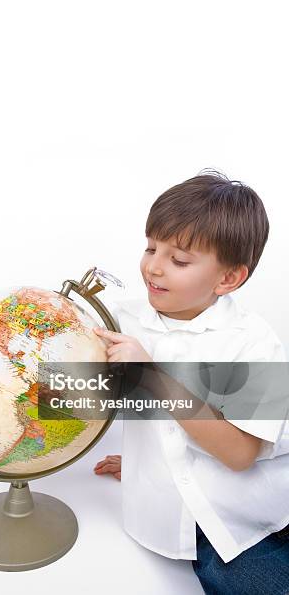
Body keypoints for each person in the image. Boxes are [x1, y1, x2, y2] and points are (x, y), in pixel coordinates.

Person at [92, 170, 289, 595]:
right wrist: (149, 467)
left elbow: (239, 454)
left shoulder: (254, 343)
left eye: (179, 260)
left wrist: (154, 378)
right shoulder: (125, 322)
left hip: (262, 506)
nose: (154, 267)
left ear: (228, 279)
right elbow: (67, 393)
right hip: (198, 526)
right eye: (150, 247)